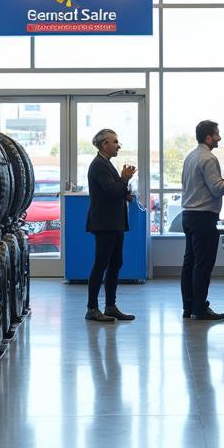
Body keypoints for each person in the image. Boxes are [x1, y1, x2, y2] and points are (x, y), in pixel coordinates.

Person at [179, 120, 224, 320]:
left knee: (190, 262)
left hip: (188, 215)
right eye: (216, 134)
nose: (219, 138)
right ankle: (200, 307)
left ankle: (189, 307)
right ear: (208, 137)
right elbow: (216, 189)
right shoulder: (208, 158)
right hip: (203, 216)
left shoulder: (190, 157)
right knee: (203, 264)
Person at [85, 128, 137, 322]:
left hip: (114, 222)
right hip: (105, 223)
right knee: (101, 264)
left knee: (115, 263)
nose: (118, 145)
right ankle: (92, 308)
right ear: (104, 144)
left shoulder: (107, 164)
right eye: (114, 141)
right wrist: (124, 179)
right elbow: (110, 191)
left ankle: (110, 306)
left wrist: (125, 191)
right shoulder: (99, 165)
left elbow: (116, 191)